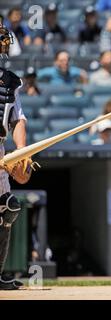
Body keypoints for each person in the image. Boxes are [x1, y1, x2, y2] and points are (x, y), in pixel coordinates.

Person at [0, 23, 28, 290]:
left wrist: (21, 154)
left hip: (0, 149)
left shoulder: (10, 80)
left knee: (8, 207)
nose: (4, 41)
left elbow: (17, 119)